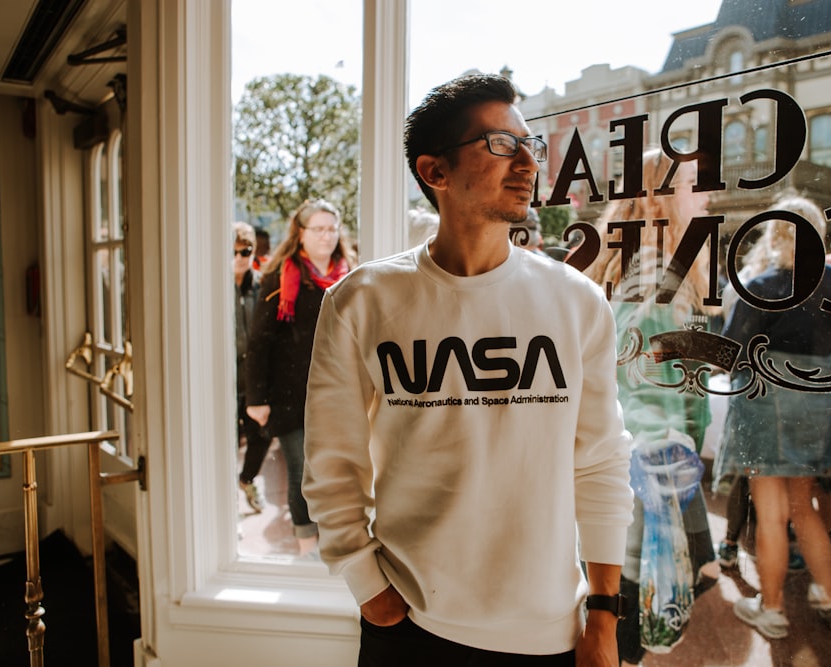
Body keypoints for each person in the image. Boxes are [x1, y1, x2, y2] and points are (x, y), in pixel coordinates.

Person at [302, 73, 634, 666]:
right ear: (436, 172)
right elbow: (331, 465)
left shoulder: (577, 301)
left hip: (548, 629)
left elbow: (602, 460)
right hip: (410, 624)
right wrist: (370, 592)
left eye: (531, 144)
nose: (529, 161)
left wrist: (604, 616)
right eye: (502, 144)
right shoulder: (361, 301)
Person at [586, 148, 719, 665]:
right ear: (661, 196)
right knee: (633, 603)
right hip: (652, 458)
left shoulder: (633, 263)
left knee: (622, 595)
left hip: (633, 454)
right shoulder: (660, 271)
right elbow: (652, 382)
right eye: (693, 183)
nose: (707, 195)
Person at [716, 194, 831, 639]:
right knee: (805, 506)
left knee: (771, 509)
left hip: (766, 402)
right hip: (817, 400)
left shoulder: (761, 285)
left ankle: (774, 609)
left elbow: (732, 352)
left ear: (775, 233)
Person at [246, 199, 355, 558]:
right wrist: (256, 399)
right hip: (292, 394)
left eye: (331, 228)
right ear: (301, 233)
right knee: (302, 470)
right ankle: (307, 546)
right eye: (318, 229)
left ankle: (336, 537)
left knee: (336, 468)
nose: (326, 236)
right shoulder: (281, 277)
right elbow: (259, 342)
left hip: (340, 393)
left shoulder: (350, 274)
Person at [233, 221, 272, 513]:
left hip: (255, 379)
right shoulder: (210, 288)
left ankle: (246, 479)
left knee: (261, 436)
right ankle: (225, 508)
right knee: (226, 443)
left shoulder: (262, 284)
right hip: (224, 380)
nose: (238, 258)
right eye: (232, 251)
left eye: (244, 251)